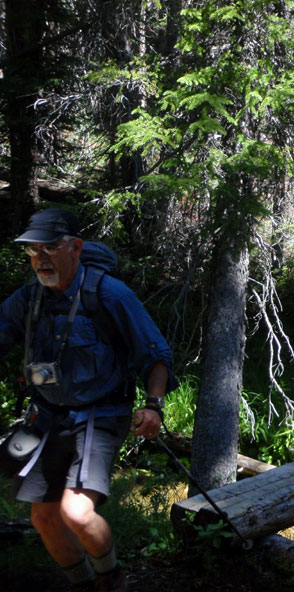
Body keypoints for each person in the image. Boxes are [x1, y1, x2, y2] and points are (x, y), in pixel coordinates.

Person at [0, 208, 178, 592]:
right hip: (47, 416)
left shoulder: (108, 293)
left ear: (75, 247)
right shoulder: (29, 297)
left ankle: (112, 581)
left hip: (101, 412)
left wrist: (153, 405)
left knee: (76, 513)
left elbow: (156, 353)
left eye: (49, 247)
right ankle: (84, 585)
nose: (40, 258)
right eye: (32, 250)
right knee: (43, 519)